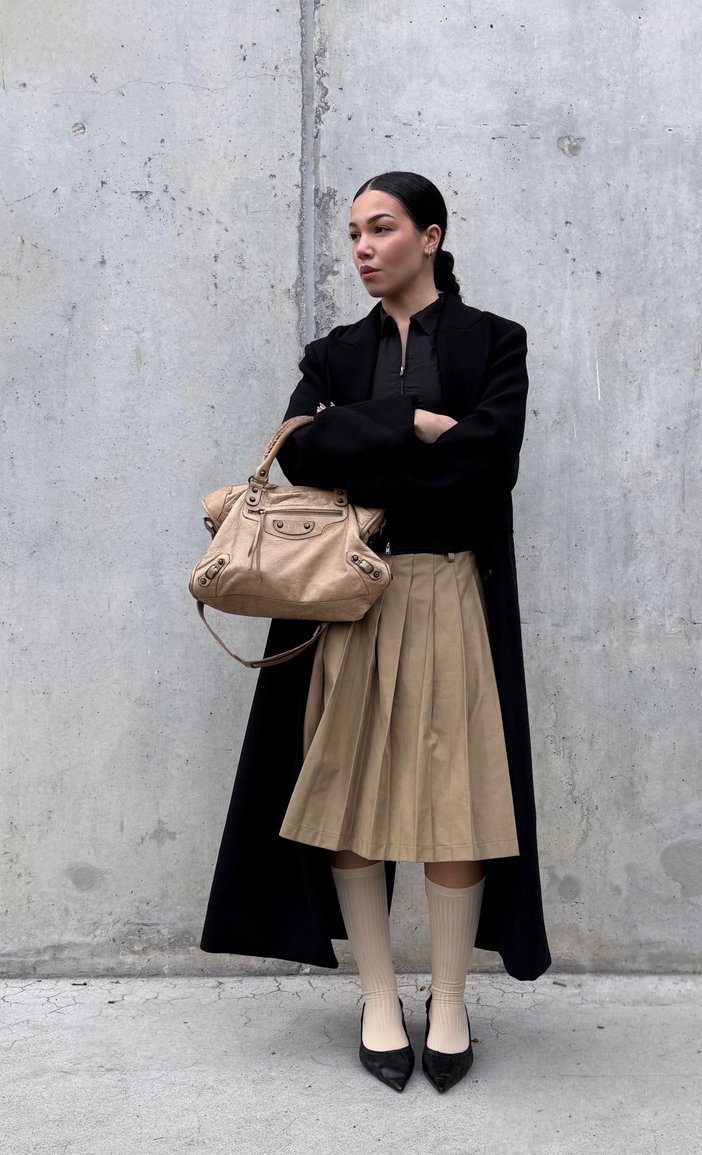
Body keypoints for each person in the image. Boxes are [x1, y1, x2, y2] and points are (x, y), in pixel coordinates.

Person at [200, 171, 551, 1093]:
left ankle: (448, 1000)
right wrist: (416, 422)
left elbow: (487, 467)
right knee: (347, 794)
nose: (361, 247)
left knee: (456, 797)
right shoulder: (334, 349)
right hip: (346, 600)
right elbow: (306, 449)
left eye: (381, 228)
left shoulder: (493, 341)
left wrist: (376, 448)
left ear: (429, 236)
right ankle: (379, 995)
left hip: (446, 590)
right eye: (353, 231)